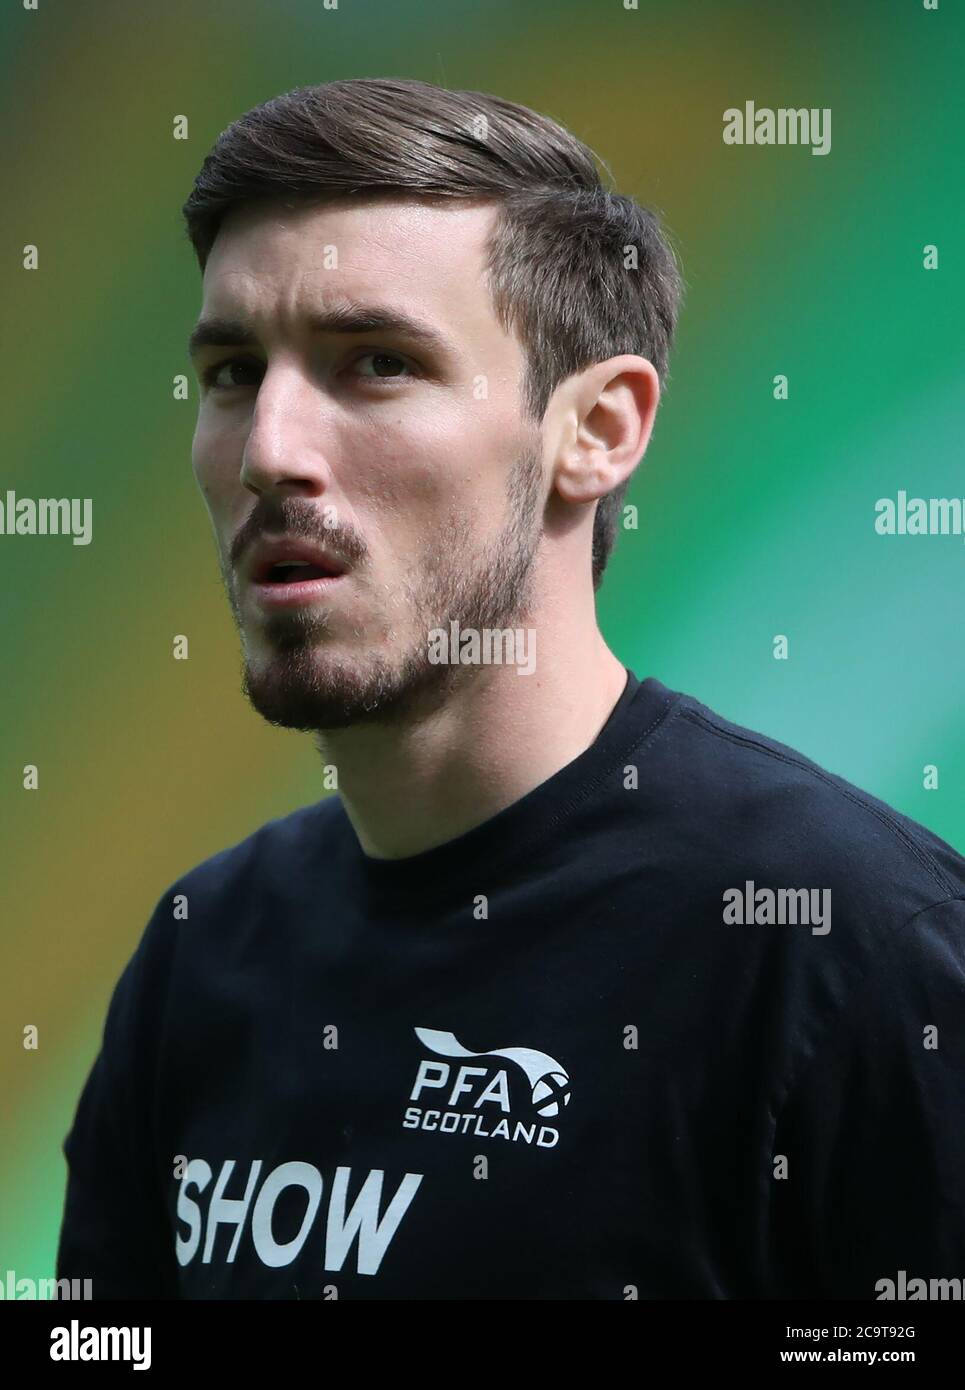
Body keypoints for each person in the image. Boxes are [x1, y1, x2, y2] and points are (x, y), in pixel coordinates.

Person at [57, 77, 965, 1300]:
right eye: (230, 372)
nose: (270, 447)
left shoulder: (843, 947)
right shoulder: (200, 955)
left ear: (594, 430)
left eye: (374, 362)